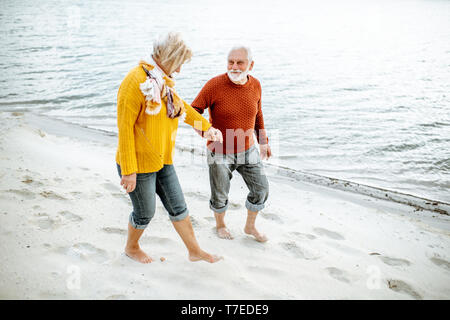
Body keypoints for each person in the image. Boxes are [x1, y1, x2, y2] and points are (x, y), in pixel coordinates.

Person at [116, 32, 223, 264]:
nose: (180, 70)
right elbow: (124, 129)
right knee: (145, 213)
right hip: (138, 163)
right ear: (167, 56)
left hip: (163, 159)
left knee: (178, 205)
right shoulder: (135, 82)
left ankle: (194, 251)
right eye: (179, 63)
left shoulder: (159, 80)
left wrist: (206, 128)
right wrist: (128, 170)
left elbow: (181, 106)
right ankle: (131, 247)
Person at [192, 46, 271, 242]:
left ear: (250, 65)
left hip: (248, 148)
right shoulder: (214, 85)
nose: (234, 67)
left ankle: (250, 226)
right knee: (220, 193)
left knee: (261, 189)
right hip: (219, 150)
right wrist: (205, 131)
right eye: (231, 62)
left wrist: (263, 141)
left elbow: (258, 114)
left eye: (239, 62)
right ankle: (220, 225)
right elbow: (193, 111)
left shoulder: (256, 85)